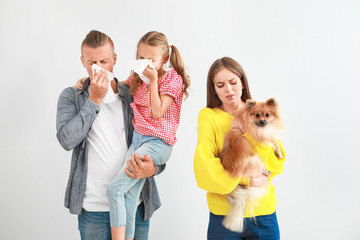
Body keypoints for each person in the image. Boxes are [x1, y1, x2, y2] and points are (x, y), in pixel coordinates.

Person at [56, 30, 165, 240]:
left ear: (115, 59)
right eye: (92, 62)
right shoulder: (72, 96)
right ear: (82, 62)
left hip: (135, 204)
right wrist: (93, 100)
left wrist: (154, 168)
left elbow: (157, 137)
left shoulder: (134, 93)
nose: (98, 68)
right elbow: (66, 140)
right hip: (94, 210)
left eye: (104, 61)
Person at [106, 31, 190, 240]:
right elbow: (121, 86)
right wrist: (89, 81)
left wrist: (153, 81)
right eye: (141, 58)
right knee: (129, 196)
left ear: (165, 59)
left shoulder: (173, 79)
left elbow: (158, 111)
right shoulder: (138, 77)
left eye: (151, 60)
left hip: (158, 142)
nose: (145, 64)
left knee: (114, 190)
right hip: (138, 139)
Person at [193, 57, 286, 240]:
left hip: (263, 213)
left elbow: (276, 163)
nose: (228, 89)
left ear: (243, 83)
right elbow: (204, 166)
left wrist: (247, 131)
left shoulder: (259, 112)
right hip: (224, 215)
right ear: (214, 90)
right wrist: (247, 180)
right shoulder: (208, 116)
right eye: (220, 85)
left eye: (233, 82)